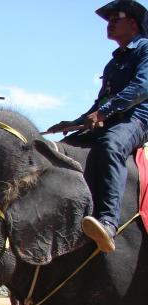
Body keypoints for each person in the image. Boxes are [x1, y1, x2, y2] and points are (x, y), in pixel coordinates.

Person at [46, 0, 148, 253]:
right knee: (62, 148)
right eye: (109, 19)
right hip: (110, 119)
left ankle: (109, 222)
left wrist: (103, 112)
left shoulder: (145, 50)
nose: (110, 23)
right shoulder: (113, 63)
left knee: (111, 145)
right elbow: (101, 101)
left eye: (116, 18)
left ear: (133, 23)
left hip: (138, 119)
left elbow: (142, 88)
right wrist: (77, 122)